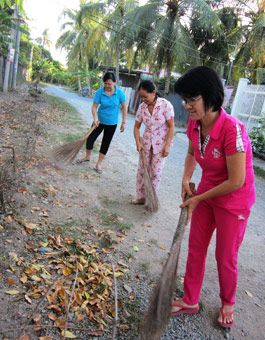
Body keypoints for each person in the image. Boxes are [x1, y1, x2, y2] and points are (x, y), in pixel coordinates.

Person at [171, 66, 256, 328]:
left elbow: (237, 180)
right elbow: (190, 154)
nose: (186, 105)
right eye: (184, 99)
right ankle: (190, 299)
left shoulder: (233, 130)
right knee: (196, 246)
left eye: (192, 99)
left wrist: (197, 199)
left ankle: (227, 302)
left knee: (224, 255)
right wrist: (186, 179)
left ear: (210, 96)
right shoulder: (194, 126)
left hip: (235, 200)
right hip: (207, 192)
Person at [130, 80, 175, 204]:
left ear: (153, 93)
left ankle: (151, 199)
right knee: (142, 170)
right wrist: (138, 143)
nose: (143, 99)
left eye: (145, 96)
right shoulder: (142, 107)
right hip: (145, 144)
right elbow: (136, 127)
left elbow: (171, 126)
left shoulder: (166, 105)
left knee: (155, 172)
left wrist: (167, 145)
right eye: (141, 97)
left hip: (161, 146)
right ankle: (141, 197)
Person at [77, 72, 127, 174]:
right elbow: (94, 107)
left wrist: (124, 122)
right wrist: (95, 118)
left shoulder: (120, 93)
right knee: (90, 139)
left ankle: (98, 164)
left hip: (112, 123)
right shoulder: (100, 92)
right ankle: (87, 157)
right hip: (99, 121)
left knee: (105, 143)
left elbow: (125, 107)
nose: (107, 86)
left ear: (115, 82)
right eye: (105, 83)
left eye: (109, 84)